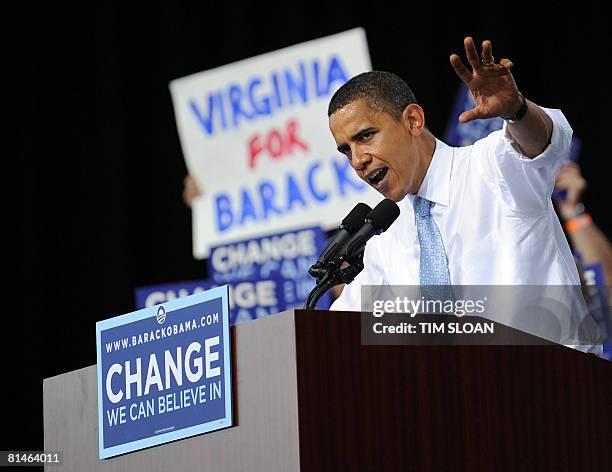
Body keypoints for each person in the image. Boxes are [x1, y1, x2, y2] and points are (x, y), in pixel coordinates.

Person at [327, 37, 601, 353]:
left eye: (366, 136)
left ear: (413, 120)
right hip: (463, 398)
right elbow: (340, 333)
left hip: (559, 388)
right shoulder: (383, 239)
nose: (358, 160)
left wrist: (518, 110)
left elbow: (546, 144)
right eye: (346, 150)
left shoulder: (492, 167)